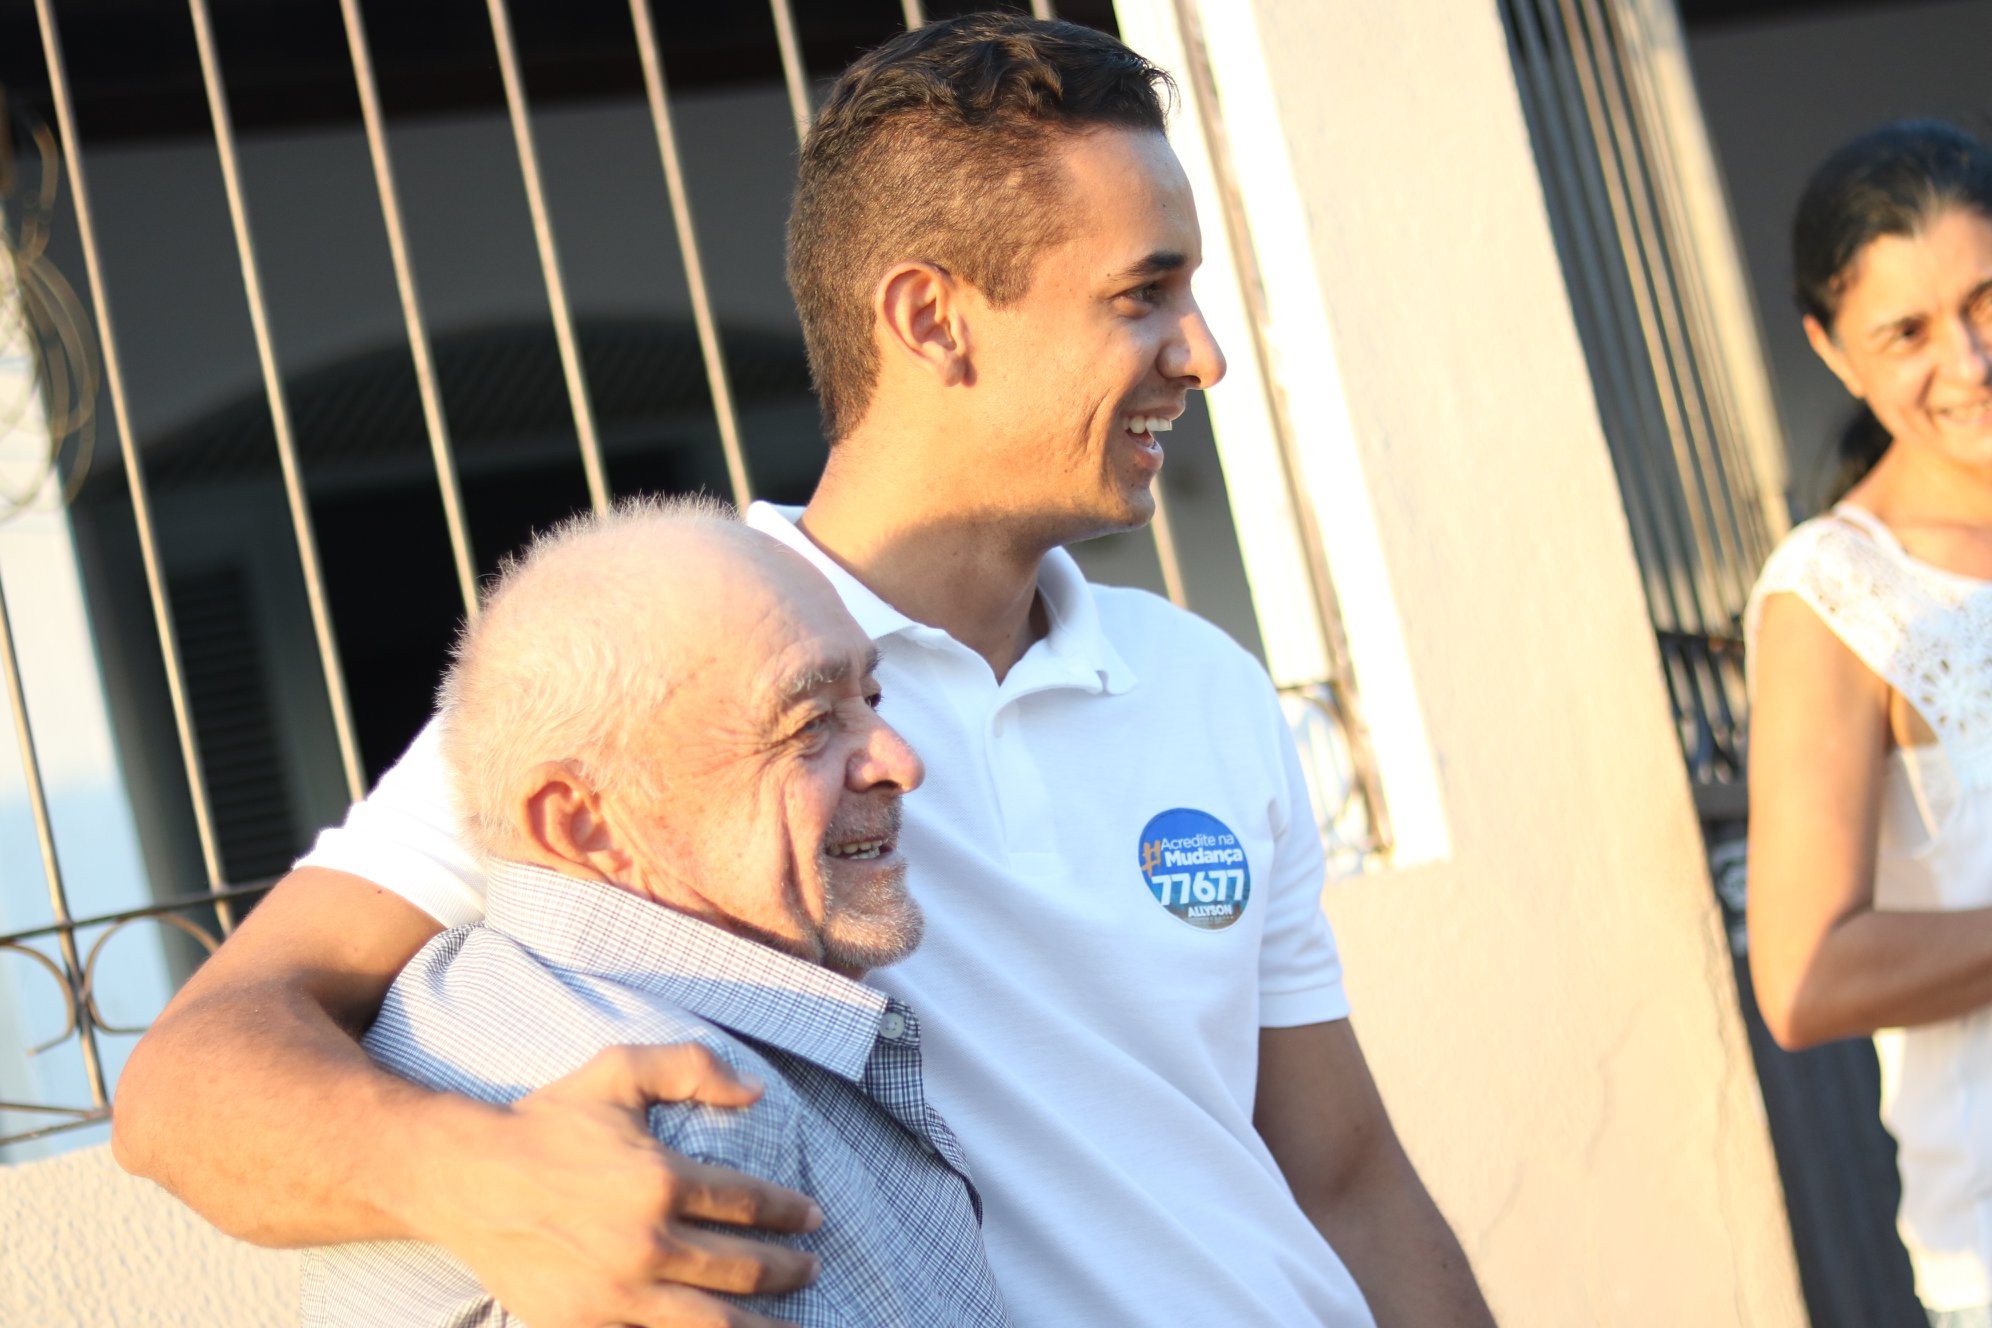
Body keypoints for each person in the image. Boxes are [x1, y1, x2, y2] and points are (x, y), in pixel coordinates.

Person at [114, 15, 1493, 1328]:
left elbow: (1345, 1174)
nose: (1201, 355)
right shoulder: (658, 679)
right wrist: (487, 1180)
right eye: (1144, 295)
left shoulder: (1204, 683)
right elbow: (189, 1081)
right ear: (932, 317)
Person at [303, 498, 1006, 1326]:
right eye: (811, 722)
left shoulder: (449, 997)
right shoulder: (690, 1122)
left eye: (873, 698)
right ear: (583, 822)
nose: (901, 763)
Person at [1746, 119, 1992, 1327]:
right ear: (1832, 353)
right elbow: (1803, 976)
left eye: (1989, 296)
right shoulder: (1838, 594)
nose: (1971, 357)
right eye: (1907, 330)